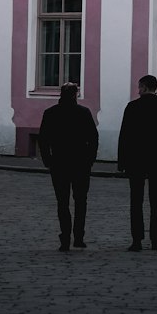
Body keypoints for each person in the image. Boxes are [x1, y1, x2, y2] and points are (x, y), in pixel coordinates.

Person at [117, 74, 157, 251]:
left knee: (136, 201)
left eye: (139, 87)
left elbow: (125, 137)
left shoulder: (132, 107)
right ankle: (156, 240)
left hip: (136, 161)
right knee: (156, 201)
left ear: (143, 87)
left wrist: (122, 162)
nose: (138, 90)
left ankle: (137, 240)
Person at [38, 81, 99, 251]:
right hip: (80, 163)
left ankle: (65, 237)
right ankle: (79, 237)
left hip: (59, 163)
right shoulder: (83, 113)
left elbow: (43, 139)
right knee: (80, 201)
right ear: (75, 94)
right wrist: (90, 159)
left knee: (62, 202)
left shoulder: (50, 113)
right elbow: (93, 138)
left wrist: (47, 160)